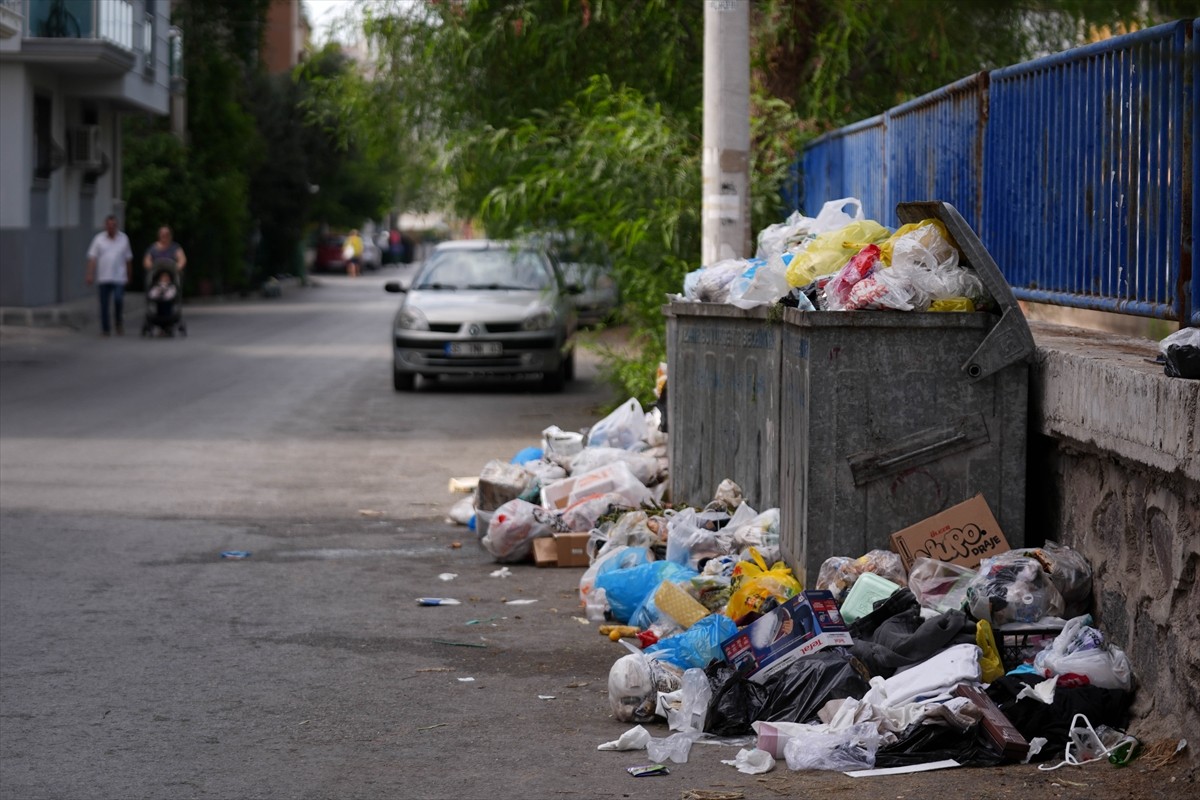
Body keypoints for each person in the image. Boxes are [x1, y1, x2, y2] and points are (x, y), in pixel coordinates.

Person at [86, 214, 133, 337]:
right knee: (104, 304)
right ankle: (105, 329)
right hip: (104, 276)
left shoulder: (123, 239)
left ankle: (118, 322)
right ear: (105, 226)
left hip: (119, 277)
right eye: (109, 225)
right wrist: (90, 274)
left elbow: (128, 259)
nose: (111, 228)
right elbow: (92, 258)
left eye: (113, 226)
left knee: (118, 300)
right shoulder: (99, 239)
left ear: (116, 226)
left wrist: (129, 275)